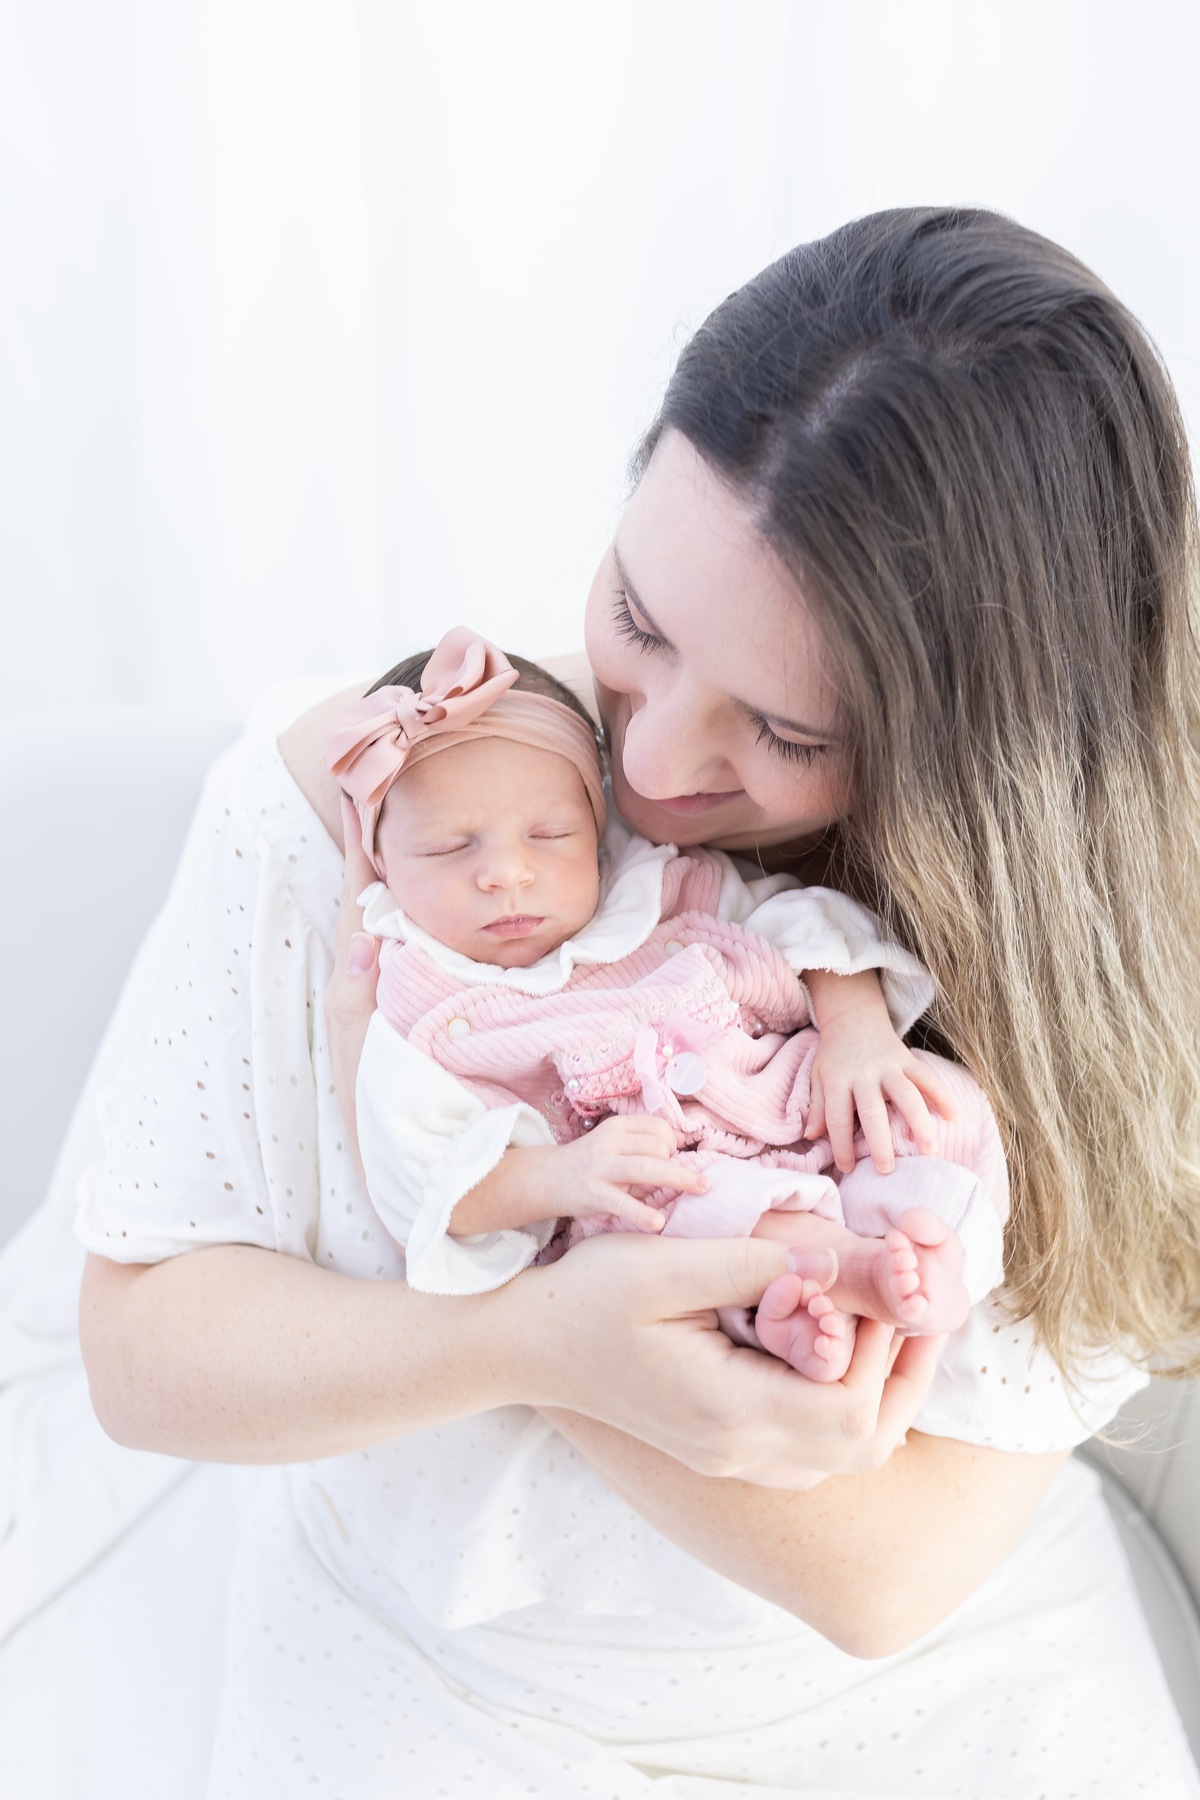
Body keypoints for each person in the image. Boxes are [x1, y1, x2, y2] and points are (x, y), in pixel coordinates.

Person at [3, 206, 1199, 1798]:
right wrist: (538, 1337)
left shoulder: (1082, 978)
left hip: (945, 1695)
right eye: (638, 616)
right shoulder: (371, 795)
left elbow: (884, 1577)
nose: (645, 770)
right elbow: (146, 1350)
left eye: (777, 729)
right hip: (435, 1666)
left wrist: (580, 1329)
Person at [328, 628, 1006, 1381]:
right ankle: (839, 1277)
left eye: (552, 834)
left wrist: (856, 1033)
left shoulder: (655, 888)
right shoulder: (420, 997)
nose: (508, 874)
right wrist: (560, 1174)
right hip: (652, 1184)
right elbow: (434, 1179)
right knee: (691, 1214)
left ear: (596, 826)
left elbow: (808, 924)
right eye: (451, 849)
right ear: (382, 862)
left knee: (930, 1104)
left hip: (792, 1104)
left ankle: (928, 1251)